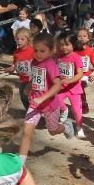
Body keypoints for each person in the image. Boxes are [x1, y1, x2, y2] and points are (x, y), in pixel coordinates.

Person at [19, 33, 69, 161]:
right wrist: (29, 86)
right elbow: (36, 78)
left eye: (42, 51)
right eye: (36, 50)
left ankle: (66, 127)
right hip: (34, 104)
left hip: (50, 105)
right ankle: (20, 163)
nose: (38, 54)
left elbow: (57, 85)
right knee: (26, 132)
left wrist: (42, 98)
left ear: (51, 51)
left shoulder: (50, 64)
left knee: (52, 130)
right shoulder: (34, 62)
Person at [55, 33, 86, 138]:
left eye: (66, 44)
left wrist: (69, 81)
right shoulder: (57, 57)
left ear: (73, 45)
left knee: (77, 110)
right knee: (54, 101)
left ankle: (79, 127)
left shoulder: (76, 57)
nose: (63, 47)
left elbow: (80, 74)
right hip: (61, 88)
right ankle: (64, 110)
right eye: (61, 45)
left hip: (74, 89)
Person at [11, 27, 35, 110]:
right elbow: (15, 64)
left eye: (22, 39)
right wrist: (12, 68)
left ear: (27, 40)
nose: (19, 41)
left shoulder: (32, 51)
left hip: (31, 78)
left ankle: (33, 111)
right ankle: (28, 111)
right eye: (17, 39)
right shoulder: (16, 52)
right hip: (22, 78)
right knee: (22, 96)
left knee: (28, 95)